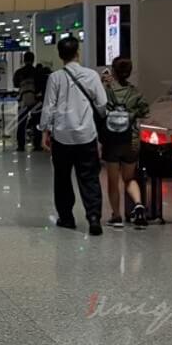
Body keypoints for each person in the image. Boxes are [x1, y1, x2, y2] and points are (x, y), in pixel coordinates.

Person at [39, 35, 109, 234]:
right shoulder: (91, 76)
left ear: (60, 55)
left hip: (62, 136)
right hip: (86, 135)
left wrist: (44, 131)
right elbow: (102, 104)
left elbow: (48, 107)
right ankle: (93, 217)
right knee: (89, 178)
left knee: (62, 178)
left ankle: (67, 218)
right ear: (78, 53)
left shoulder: (55, 77)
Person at [101, 56, 151, 228]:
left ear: (113, 71)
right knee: (129, 178)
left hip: (112, 140)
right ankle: (138, 204)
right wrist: (131, 114)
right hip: (132, 139)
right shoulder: (135, 92)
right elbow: (145, 110)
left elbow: (99, 108)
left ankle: (116, 216)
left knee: (113, 181)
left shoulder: (107, 90)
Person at [13, 52, 40, 151]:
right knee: (36, 122)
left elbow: (15, 84)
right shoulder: (37, 72)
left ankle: (21, 145)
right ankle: (37, 144)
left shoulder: (19, 72)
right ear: (33, 60)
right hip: (35, 100)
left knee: (21, 123)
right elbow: (40, 85)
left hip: (23, 99)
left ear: (24, 60)